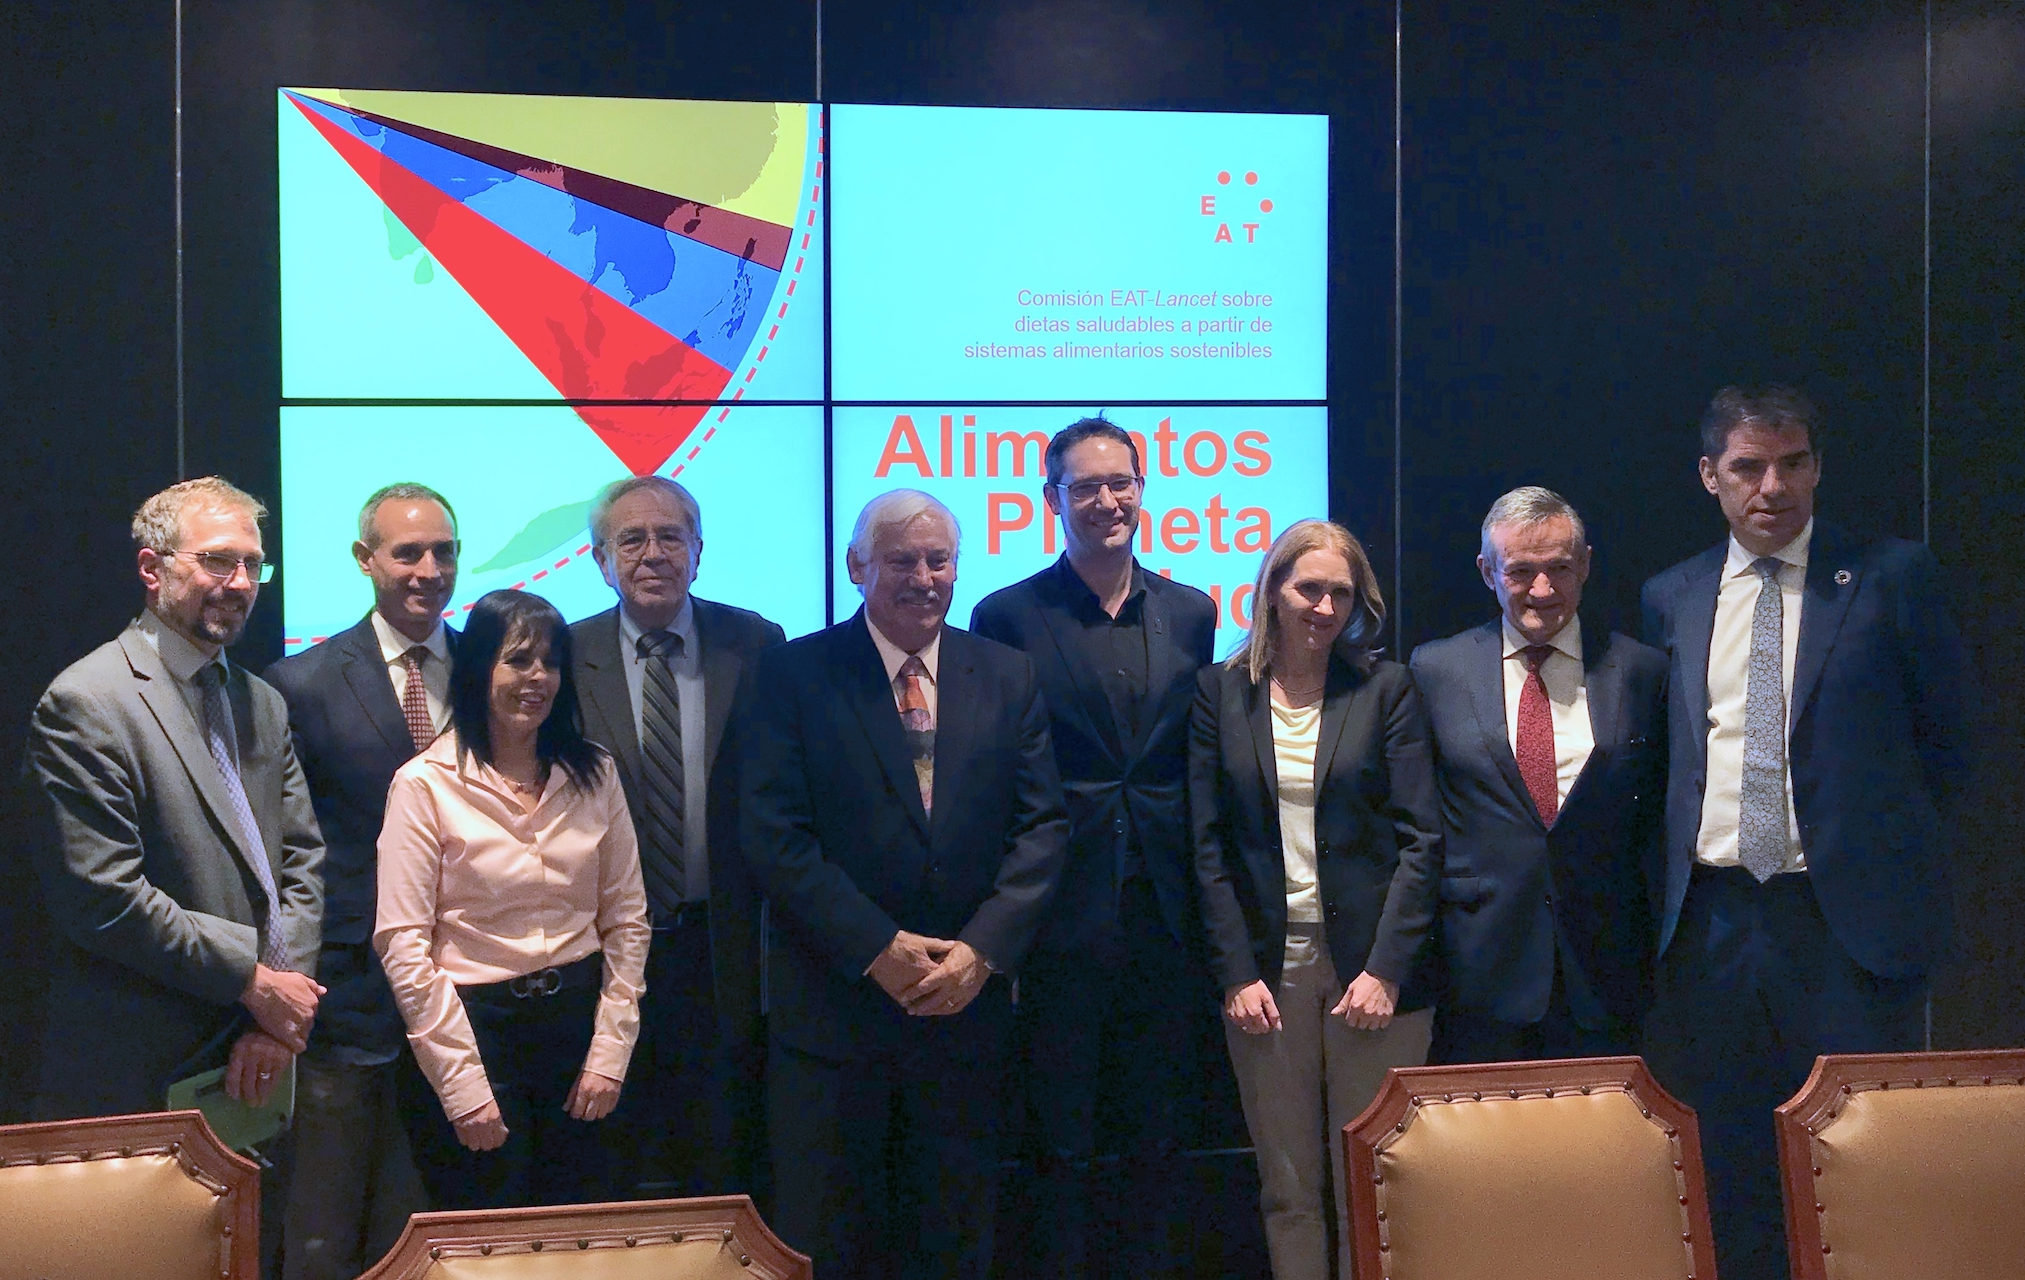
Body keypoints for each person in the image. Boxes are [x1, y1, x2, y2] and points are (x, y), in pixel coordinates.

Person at [1641, 386, 1967, 1280]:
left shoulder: (1892, 575)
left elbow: (1950, 743)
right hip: (1710, 922)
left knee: (1860, 1155)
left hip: (1841, 920)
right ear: (1710, 476)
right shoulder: (1668, 596)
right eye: (1747, 467)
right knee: (1726, 1154)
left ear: (1817, 468)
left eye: (1791, 463)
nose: (1771, 486)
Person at [740, 490, 1069, 1280]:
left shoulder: (1007, 673)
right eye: (900, 561)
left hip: (964, 1014)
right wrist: (876, 948)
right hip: (832, 1013)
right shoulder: (792, 673)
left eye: (938, 560)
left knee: (954, 1238)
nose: (923, 577)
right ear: (857, 567)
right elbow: (772, 835)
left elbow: (1043, 828)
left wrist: (981, 954)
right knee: (832, 1239)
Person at [969, 416, 1217, 1279]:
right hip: (1055, 914)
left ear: (1143, 492)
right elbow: (995, 769)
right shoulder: (1005, 615)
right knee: (1058, 1138)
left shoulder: (1192, 612)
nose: (1107, 501)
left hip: (1165, 909)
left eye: (1123, 483)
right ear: (1052, 500)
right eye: (1086, 487)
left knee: (1158, 1132)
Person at [24, 476, 325, 1122]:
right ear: (151, 569)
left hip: (263, 1052)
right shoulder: (88, 701)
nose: (241, 582)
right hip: (148, 1066)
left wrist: (277, 1015)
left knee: (267, 1228)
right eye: (217, 559)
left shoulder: (262, 703)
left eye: (252, 563)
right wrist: (253, 982)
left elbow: (301, 861)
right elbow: (102, 896)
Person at [1190, 519, 1441, 1280]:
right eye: (1308, 588)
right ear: (1271, 591)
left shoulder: (1385, 687)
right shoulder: (1218, 692)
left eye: (1339, 592)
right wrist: (1235, 974)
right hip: (1268, 972)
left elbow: (1420, 841)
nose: (1324, 607)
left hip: (1370, 972)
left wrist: (1386, 969)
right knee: (1289, 1188)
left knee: (1374, 1180)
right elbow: (1205, 849)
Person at [375, 589, 650, 1209]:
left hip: (581, 1026)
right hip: (477, 1030)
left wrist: (610, 1053)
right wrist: (463, 1087)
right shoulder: (424, 784)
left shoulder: (595, 772)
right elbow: (403, 945)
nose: (538, 679)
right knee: (489, 1239)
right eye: (518, 660)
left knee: (583, 1232)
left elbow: (629, 921)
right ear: (478, 669)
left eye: (550, 663)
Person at [571, 475, 785, 1198]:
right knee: (619, 1155)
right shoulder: (566, 656)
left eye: (670, 537)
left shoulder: (756, 643)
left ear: (699, 552)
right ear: (601, 559)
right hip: (604, 950)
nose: (652, 554)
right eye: (631, 539)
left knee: (726, 1153)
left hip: (724, 944)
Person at [264, 483, 458, 1278]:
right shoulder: (297, 684)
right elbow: (283, 856)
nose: (427, 569)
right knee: (325, 1219)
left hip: (473, 990)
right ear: (364, 559)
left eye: (443, 551)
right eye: (407, 551)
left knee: (438, 1219)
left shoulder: (493, 669)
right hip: (350, 996)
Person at [1411, 487, 1667, 1064]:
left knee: (1603, 1147)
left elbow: (1656, 817)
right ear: (1487, 571)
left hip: (1606, 966)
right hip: (1479, 964)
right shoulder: (1436, 669)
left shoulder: (1642, 671)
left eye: (1559, 569)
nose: (1543, 590)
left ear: (1586, 565)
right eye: (1521, 571)